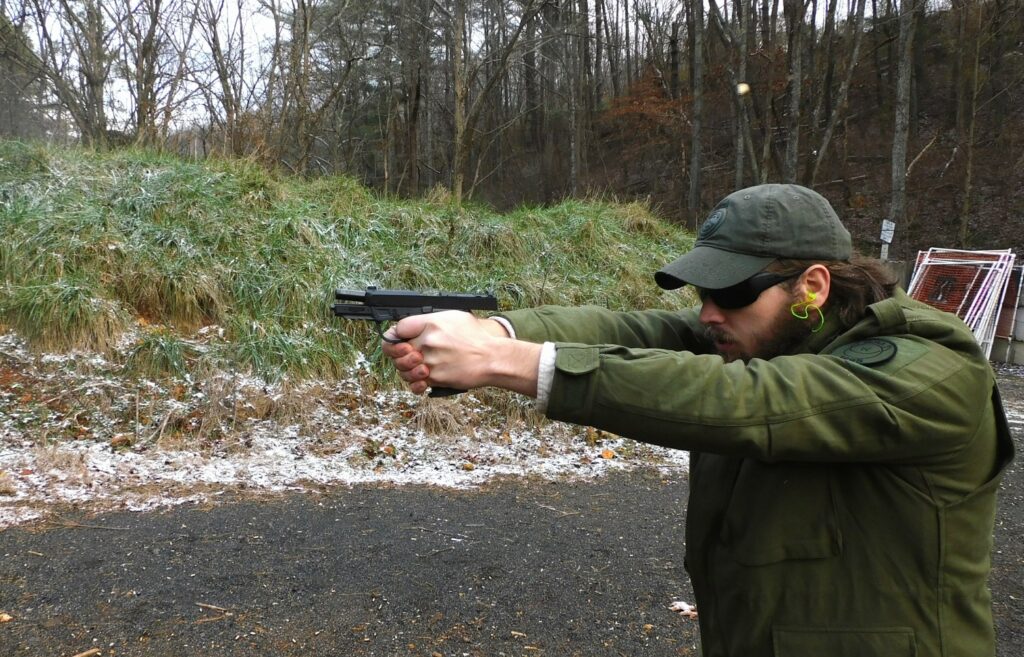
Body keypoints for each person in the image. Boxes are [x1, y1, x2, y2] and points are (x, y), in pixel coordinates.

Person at [382, 183, 1015, 657]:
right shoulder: (770, 335)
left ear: (813, 287)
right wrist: (494, 330)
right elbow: (634, 329)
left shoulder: (929, 369)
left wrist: (509, 362)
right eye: (702, 294)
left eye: (732, 293)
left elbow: (752, 402)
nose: (710, 313)